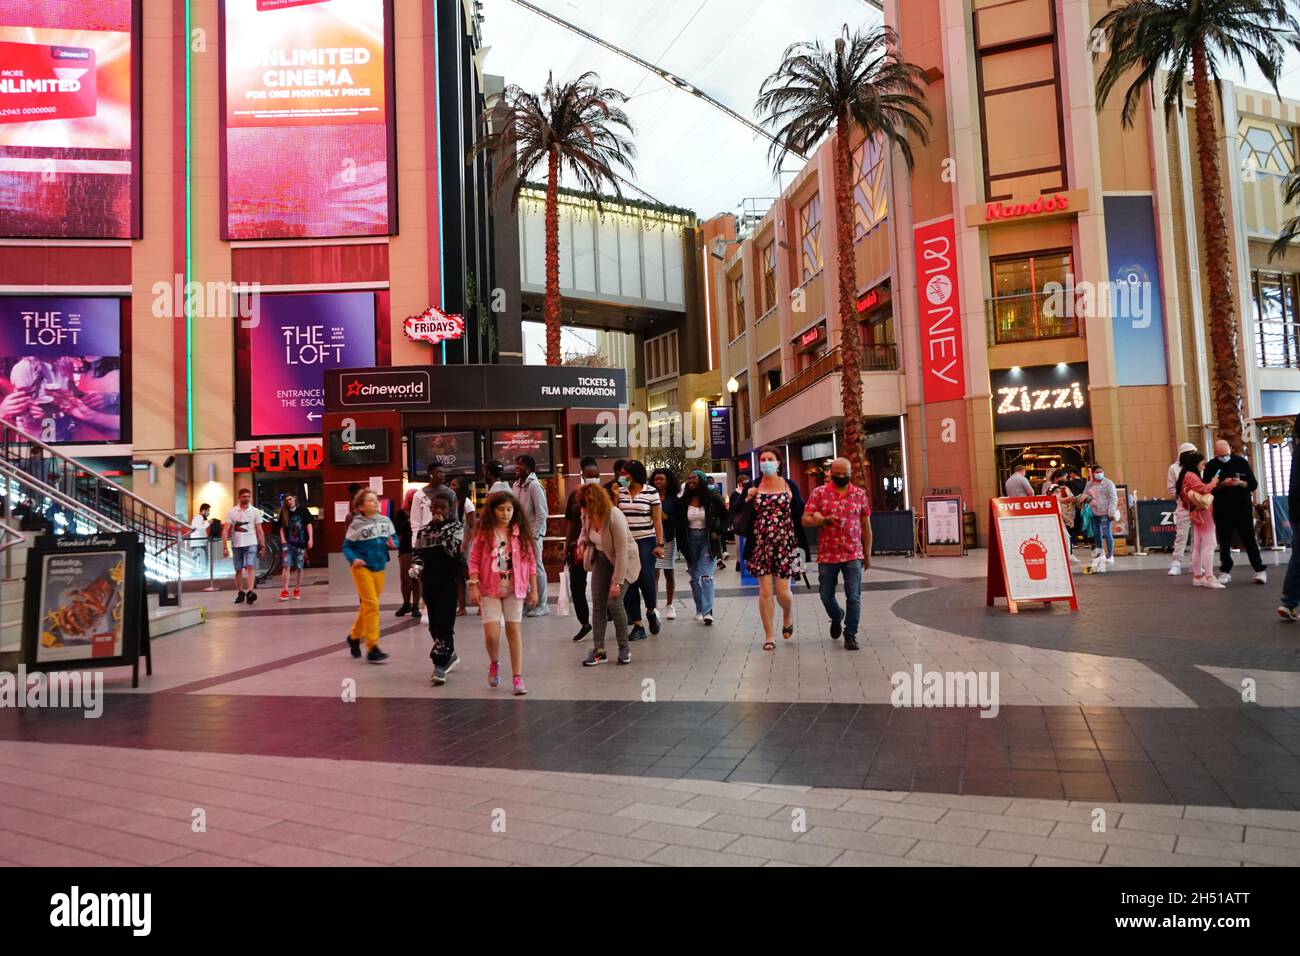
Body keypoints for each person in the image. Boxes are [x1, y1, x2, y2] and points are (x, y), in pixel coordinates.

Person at [467, 491, 537, 695]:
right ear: (492, 511)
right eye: (500, 509)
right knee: (492, 635)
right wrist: (473, 584)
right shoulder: (484, 532)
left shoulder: (521, 532)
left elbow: (531, 562)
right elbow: (474, 559)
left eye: (509, 509)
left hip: (515, 589)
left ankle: (517, 677)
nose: (505, 513)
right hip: (490, 588)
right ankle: (494, 663)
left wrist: (534, 589)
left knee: (514, 632)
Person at [802, 457, 872, 651]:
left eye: (845, 474)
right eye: (838, 473)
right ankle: (836, 615)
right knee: (825, 594)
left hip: (853, 553)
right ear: (830, 473)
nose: (841, 477)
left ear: (850, 474)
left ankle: (851, 634)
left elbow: (866, 525)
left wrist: (867, 553)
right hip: (828, 554)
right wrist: (822, 520)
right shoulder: (819, 493)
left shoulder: (859, 494)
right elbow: (805, 520)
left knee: (854, 596)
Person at [744, 446, 806, 651]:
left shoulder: (790, 485)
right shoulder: (754, 485)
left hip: (786, 543)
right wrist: (747, 498)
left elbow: (801, 511)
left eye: (770, 458)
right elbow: (738, 513)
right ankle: (769, 635)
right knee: (764, 591)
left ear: (779, 462)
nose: (766, 462)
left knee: (782, 591)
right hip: (760, 543)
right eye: (762, 459)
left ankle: (787, 614)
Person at [575, 483, 637, 665]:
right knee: (598, 603)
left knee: (615, 601)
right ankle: (599, 650)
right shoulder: (585, 513)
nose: (585, 511)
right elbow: (584, 533)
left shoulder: (614, 516)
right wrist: (581, 543)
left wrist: (617, 582)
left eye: (587, 507)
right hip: (601, 558)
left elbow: (621, 551)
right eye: (583, 507)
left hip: (624, 561)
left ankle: (624, 648)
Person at [410, 494, 465, 684]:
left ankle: (439, 665)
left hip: (448, 583)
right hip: (429, 583)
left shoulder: (456, 528)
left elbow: (453, 550)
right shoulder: (423, 532)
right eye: (436, 507)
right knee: (434, 625)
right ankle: (449, 654)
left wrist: (442, 531)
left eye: (443, 507)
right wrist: (416, 566)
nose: (439, 511)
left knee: (444, 623)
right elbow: (417, 553)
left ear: (450, 509)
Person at [1202, 438, 1267, 585]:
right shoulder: (1211, 466)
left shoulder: (1241, 462)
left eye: (1225, 453)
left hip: (1242, 508)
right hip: (1222, 509)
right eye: (1220, 455)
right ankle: (1225, 571)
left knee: (1249, 539)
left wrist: (1240, 483)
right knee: (1224, 541)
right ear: (1215, 453)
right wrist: (1221, 484)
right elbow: (1206, 487)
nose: (1224, 457)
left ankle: (1259, 569)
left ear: (1230, 449)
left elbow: (1252, 484)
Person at [342, 489, 397, 662]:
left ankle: (353, 637)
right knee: (372, 605)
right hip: (361, 567)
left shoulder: (385, 521)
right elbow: (346, 547)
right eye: (370, 501)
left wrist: (393, 544)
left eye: (376, 500)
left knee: (368, 606)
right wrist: (354, 559)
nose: (375, 503)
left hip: (379, 567)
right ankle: (373, 646)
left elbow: (395, 540)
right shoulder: (356, 524)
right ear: (361, 507)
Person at [617, 459, 665, 641]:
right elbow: (615, 515)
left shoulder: (651, 492)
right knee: (630, 582)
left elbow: (657, 520)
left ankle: (651, 611)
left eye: (625, 473)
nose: (622, 477)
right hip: (626, 542)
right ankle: (637, 624)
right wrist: (614, 497)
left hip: (646, 541)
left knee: (646, 580)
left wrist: (659, 544)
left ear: (634, 474)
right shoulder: (619, 492)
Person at [675, 470, 727, 625]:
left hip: (708, 541)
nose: (690, 480)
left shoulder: (712, 498)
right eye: (689, 477)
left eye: (694, 478)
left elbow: (726, 516)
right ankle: (700, 608)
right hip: (689, 540)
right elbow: (677, 522)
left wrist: (718, 531)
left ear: (702, 480)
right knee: (695, 578)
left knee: (706, 576)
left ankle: (707, 611)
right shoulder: (683, 501)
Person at [564, 457, 602, 642]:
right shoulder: (574, 496)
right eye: (589, 476)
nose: (593, 479)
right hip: (578, 547)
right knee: (577, 585)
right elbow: (570, 524)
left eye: (596, 476)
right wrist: (567, 546)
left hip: (600, 546)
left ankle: (607, 614)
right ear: (582, 475)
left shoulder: (605, 494)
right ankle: (584, 622)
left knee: (602, 583)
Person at [1174, 449, 1223, 589]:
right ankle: (1209, 577)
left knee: (1198, 546)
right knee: (1210, 544)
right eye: (1202, 464)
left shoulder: (1185, 475)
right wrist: (1214, 482)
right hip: (1202, 512)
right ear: (1195, 463)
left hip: (1195, 512)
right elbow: (1204, 489)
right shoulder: (1192, 476)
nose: (1204, 466)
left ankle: (1198, 576)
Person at [513, 454, 551, 617]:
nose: (516, 467)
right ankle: (530, 602)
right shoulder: (516, 485)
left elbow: (542, 513)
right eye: (516, 464)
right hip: (519, 535)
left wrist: (535, 535)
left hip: (533, 536)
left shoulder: (535, 486)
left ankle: (542, 604)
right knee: (522, 568)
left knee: (537, 568)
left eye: (520, 465)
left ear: (528, 468)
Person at [222, 488, 265, 605]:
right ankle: (241, 592)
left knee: (250, 566)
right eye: (244, 497)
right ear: (239, 497)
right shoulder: (232, 512)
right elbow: (226, 530)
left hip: (251, 542)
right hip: (237, 544)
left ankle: (250, 591)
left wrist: (262, 546)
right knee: (238, 569)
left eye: (248, 496)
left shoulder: (255, 511)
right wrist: (225, 547)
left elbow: (259, 530)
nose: (246, 499)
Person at [1277, 415, 1300, 620]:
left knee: (1298, 556)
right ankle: (1289, 601)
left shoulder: (1296, 451)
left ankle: (1289, 601)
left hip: (1296, 511)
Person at [651, 467, 681, 619]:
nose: (658, 482)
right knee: (653, 573)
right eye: (656, 479)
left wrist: (665, 517)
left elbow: (679, 520)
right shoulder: (649, 496)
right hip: (653, 539)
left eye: (661, 479)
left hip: (668, 538)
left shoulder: (674, 500)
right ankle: (653, 606)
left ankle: (670, 605)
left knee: (669, 572)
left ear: (668, 481)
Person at [1166, 442, 1198, 575]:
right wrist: (1181, 497)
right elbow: (1171, 487)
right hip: (1183, 505)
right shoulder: (1174, 468)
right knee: (1181, 535)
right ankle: (1176, 563)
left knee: (1197, 536)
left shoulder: (1198, 466)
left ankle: (1195, 563)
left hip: (1198, 505)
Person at [1078, 465, 1118, 566]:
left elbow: (1113, 498)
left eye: (1101, 471)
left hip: (1105, 512)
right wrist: (1087, 499)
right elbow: (1084, 495)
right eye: (1097, 472)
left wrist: (1111, 512)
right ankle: (1100, 554)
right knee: (1096, 534)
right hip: (1093, 512)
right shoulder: (1089, 484)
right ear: (1093, 473)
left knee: (1107, 533)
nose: (1099, 473)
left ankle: (1110, 556)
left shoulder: (1108, 483)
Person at [276, 494, 313, 601]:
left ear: (294, 499)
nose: (289, 501)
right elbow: (281, 527)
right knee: (286, 566)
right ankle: (285, 589)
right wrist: (283, 539)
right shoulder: (284, 512)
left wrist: (310, 539)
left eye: (290, 499)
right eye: (287, 500)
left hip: (300, 544)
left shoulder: (303, 510)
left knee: (299, 567)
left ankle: (297, 588)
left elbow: (308, 525)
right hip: (288, 544)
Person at [451, 475, 477, 615]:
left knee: (471, 574)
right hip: (455, 543)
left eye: (454, 485)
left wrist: (464, 544)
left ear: (461, 487)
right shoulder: (451, 502)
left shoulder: (467, 504)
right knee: (458, 576)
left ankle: (481, 604)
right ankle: (462, 607)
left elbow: (472, 527)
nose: (451, 487)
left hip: (467, 544)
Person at [393, 503, 418, 619]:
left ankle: (416, 606)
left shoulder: (420, 511)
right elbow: (398, 529)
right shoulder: (401, 513)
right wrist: (409, 522)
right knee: (404, 578)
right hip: (405, 548)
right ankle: (406, 603)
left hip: (418, 547)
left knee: (416, 578)